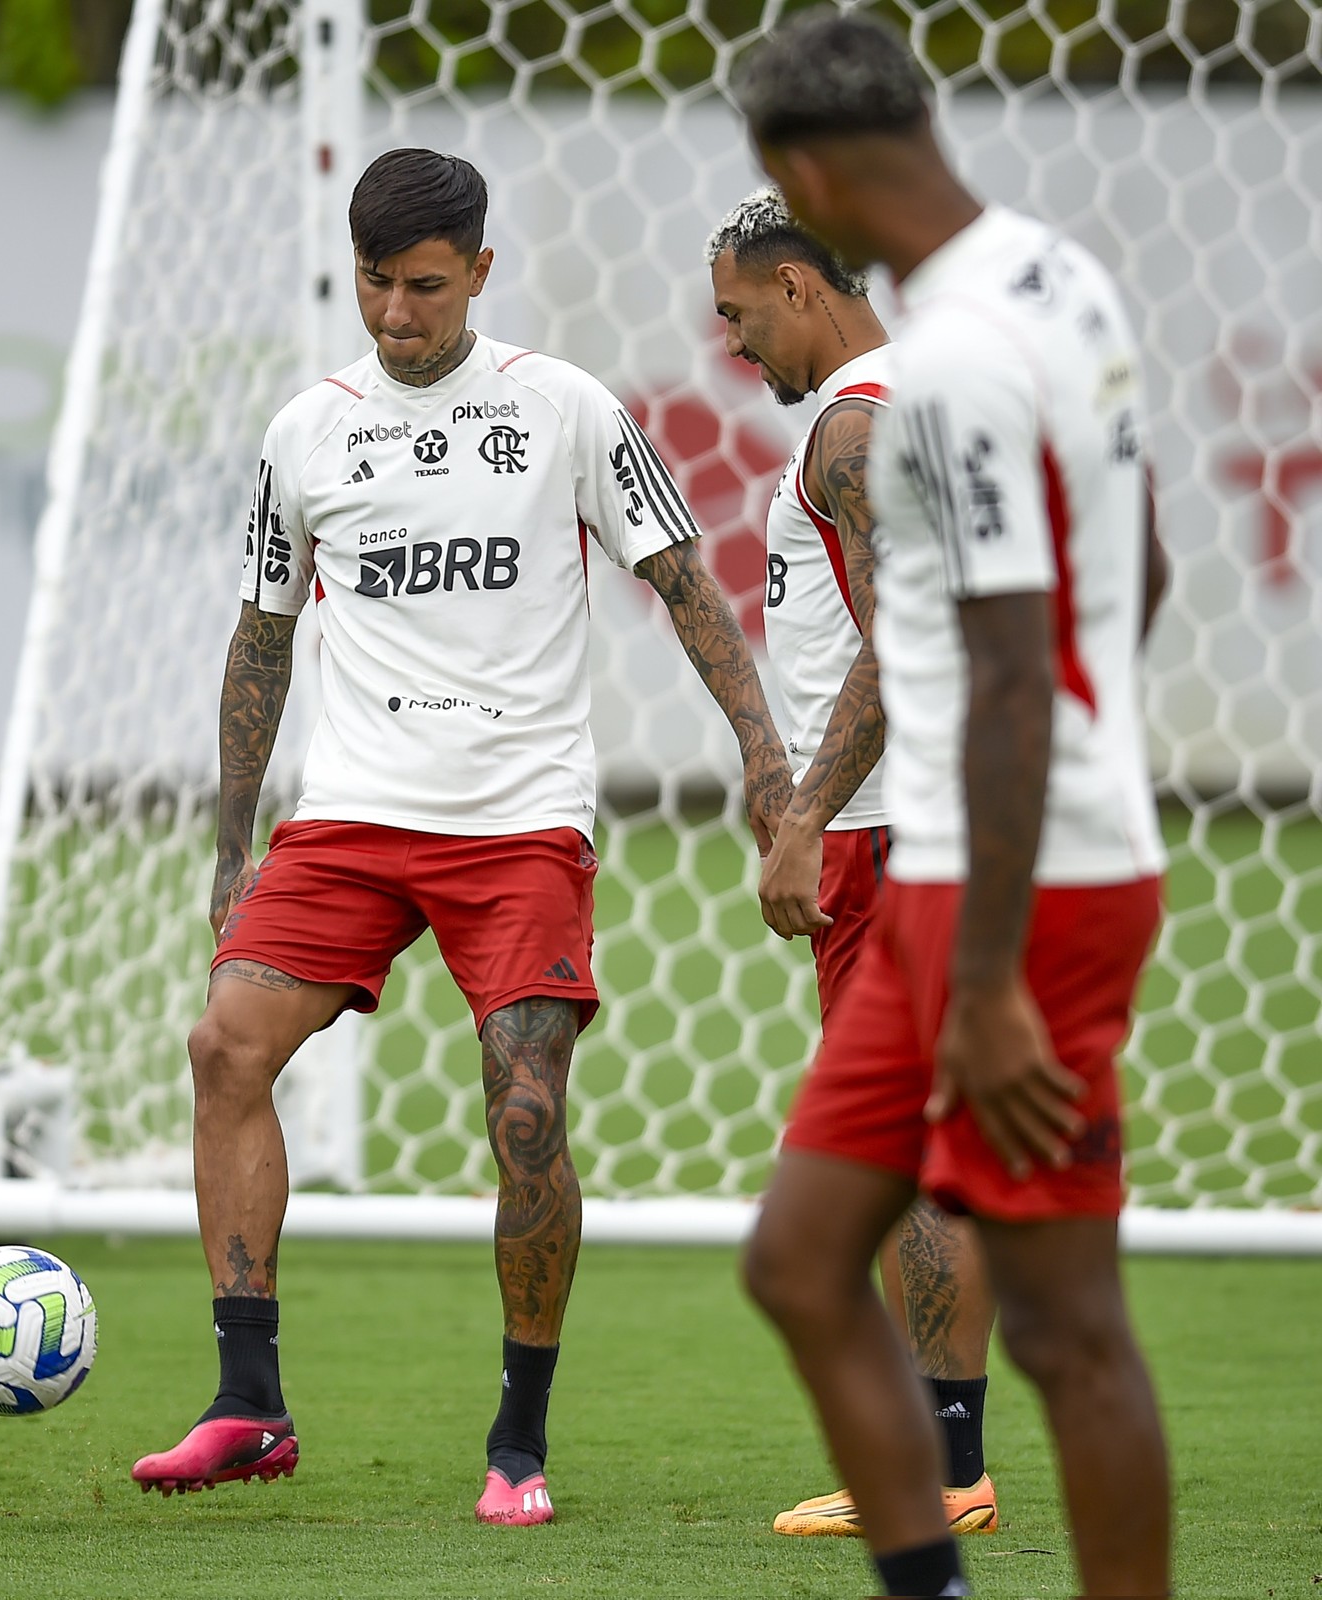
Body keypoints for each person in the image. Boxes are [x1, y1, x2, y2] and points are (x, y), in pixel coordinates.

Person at [130, 147, 794, 1527]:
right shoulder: (306, 431)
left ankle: (518, 1436)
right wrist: (230, 841)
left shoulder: (566, 413)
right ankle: (248, 1403)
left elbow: (686, 587)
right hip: (353, 818)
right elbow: (259, 642)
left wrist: (766, 756)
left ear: (480, 272)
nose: (395, 315)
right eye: (374, 283)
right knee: (223, 1046)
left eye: (424, 286)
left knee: (527, 1114)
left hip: (517, 823)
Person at [733, 11, 1173, 1598]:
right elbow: (1149, 569)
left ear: (801, 176)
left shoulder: (958, 361)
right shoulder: (1063, 279)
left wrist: (986, 979)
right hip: (972, 857)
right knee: (796, 1262)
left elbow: (994, 672)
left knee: (1068, 1326)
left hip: (1021, 891)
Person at [706, 187, 999, 1539]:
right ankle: (945, 1458)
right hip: (932, 819)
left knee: (892, 1152)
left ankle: (944, 1471)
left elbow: (898, 649)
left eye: (741, 312)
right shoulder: (925, 399)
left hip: (889, 832)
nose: (734, 343)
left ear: (801, 289)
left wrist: (807, 816)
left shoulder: (853, 431)